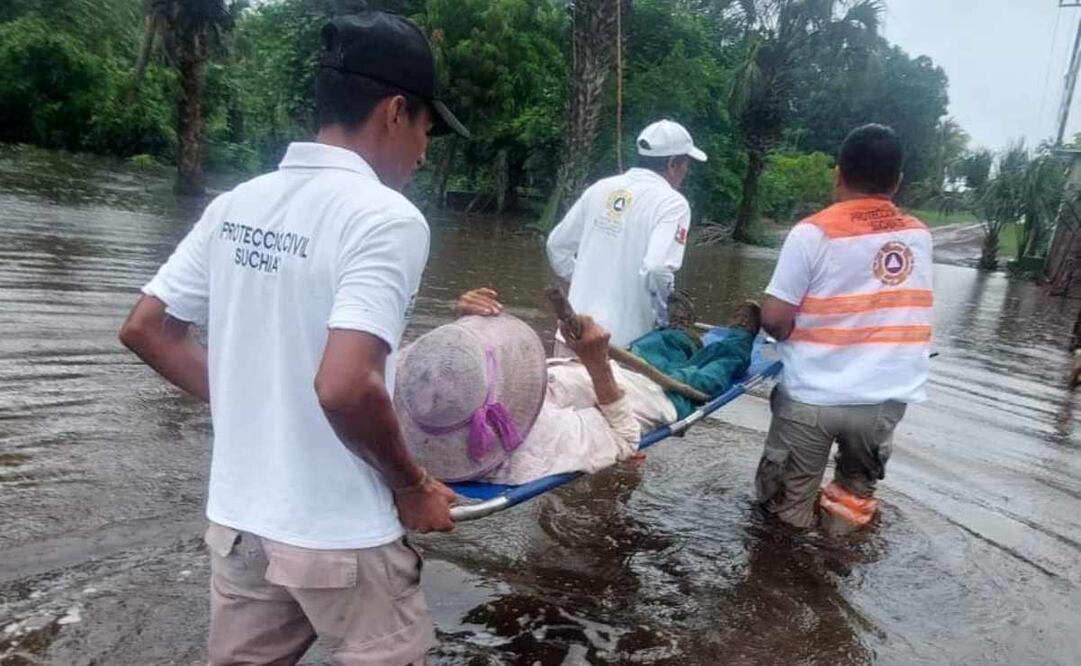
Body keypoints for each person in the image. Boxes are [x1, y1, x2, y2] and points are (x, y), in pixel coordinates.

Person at [118, 12, 468, 665]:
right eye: (426, 128)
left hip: (242, 526)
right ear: (395, 112)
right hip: (342, 536)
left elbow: (147, 328)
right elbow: (345, 385)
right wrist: (411, 484)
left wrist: (250, 408)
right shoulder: (386, 218)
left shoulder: (238, 202)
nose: (425, 151)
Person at [755, 124, 934, 533]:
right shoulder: (919, 237)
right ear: (898, 182)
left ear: (838, 175)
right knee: (852, 504)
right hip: (883, 403)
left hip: (813, 397)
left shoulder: (812, 233)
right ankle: (836, 569)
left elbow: (775, 320)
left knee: (784, 515)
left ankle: (779, 584)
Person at [394, 289, 760, 486]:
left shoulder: (427, 407)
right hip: (658, 396)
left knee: (657, 345)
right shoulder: (541, 448)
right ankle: (742, 337)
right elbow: (623, 437)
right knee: (714, 369)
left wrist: (467, 327)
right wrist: (597, 363)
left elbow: (444, 367)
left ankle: (681, 330)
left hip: (600, 367)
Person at [546, 120, 708, 348]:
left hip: (571, 336)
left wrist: (586, 279)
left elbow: (556, 245)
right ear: (673, 163)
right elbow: (656, 268)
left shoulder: (600, 187)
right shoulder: (673, 203)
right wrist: (664, 318)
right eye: (685, 164)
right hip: (623, 346)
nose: (686, 172)